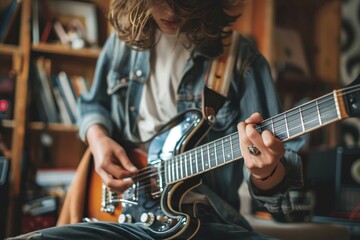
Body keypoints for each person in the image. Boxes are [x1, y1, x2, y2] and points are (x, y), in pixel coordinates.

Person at [8, 0, 304, 239]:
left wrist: (265, 174)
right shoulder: (121, 44)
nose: (172, 11)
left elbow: (279, 196)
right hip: (121, 220)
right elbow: (92, 105)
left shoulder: (242, 59)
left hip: (205, 222)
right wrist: (98, 139)